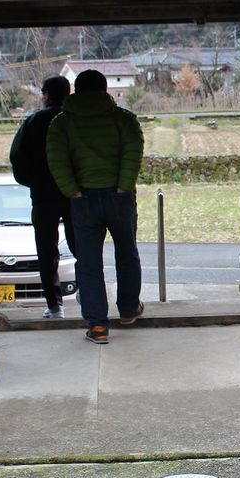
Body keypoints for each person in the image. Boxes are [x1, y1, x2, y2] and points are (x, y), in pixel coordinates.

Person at [46, 69, 145, 345]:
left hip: (83, 200)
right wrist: (123, 186)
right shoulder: (124, 119)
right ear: (105, 90)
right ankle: (128, 309)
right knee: (127, 253)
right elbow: (133, 152)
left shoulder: (61, 123)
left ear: (76, 90)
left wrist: (73, 191)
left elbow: (57, 159)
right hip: (120, 197)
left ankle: (98, 325)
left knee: (88, 263)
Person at [9, 75, 76, 319]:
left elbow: (17, 156)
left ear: (46, 95)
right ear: (68, 93)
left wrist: (33, 181)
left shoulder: (34, 120)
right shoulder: (75, 119)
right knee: (81, 244)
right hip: (74, 192)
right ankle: (87, 292)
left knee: (47, 250)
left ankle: (55, 305)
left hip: (43, 194)